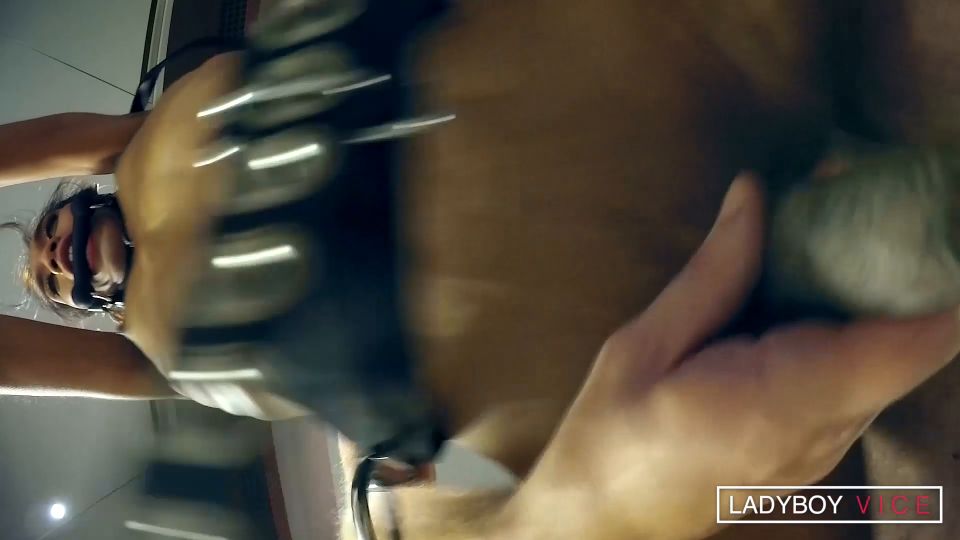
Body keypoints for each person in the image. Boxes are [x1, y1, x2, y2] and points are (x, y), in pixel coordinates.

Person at [0, 1, 959, 539]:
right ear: (90, 306)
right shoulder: (154, 348)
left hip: (652, 81)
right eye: (52, 285)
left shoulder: (143, 140)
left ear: (79, 189)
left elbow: (41, 142)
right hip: (652, 331)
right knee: (904, 246)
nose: (49, 262)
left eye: (47, 237)